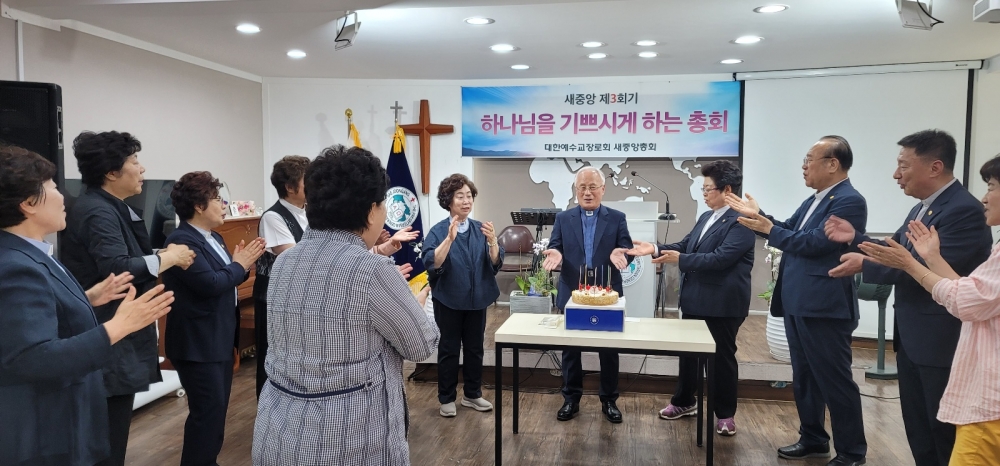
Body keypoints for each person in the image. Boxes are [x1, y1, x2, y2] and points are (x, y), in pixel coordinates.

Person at [252, 145, 439, 466]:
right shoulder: (372, 271)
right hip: (345, 440)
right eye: (383, 204)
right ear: (370, 211)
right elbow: (422, 346)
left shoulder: (285, 262)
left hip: (278, 432)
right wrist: (416, 304)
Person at [824, 130, 992, 466]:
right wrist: (856, 238)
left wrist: (865, 263)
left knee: (942, 431)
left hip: (942, 341)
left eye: (903, 165)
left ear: (935, 167)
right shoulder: (923, 207)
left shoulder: (964, 211)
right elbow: (898, 251)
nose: (895, 174)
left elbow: (927, 271)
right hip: (914, 339)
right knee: (918, 428)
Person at [0, 145, 174, 466]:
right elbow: (34, 358)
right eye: (53, 187)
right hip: (47, 429)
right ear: (28, 203)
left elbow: (42, 316)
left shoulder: (32, 252)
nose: (64, 196)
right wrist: (119, 326)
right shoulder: (16, 265)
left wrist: (88, 298)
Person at [726, 136, 868, 466]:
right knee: (805, 377)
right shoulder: (815, 199)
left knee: (834, 380)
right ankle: (814, 438)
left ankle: (851, 452)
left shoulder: (849, 200)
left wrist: (768, 228)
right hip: (799, 301)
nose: (803, 166)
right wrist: (758, 216)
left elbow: (816, 243)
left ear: (832, 164)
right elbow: (789, 229)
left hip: (824, 306)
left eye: (808, 160)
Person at [61, 131, 196, 466]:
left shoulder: (110, 206)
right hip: (109, 333)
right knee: (108, 440)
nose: (142, 168)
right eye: (134, 161)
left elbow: (126, 255)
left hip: (117, 333)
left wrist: (161, 255)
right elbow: (118, 267)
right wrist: (169, 258)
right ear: (111, 172)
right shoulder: (97, 210)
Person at [627, 160, 754, 436]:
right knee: (688, 356)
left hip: (722, 304)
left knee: (721, 359)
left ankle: (725, 414)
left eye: (708, 189)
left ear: (727, 189)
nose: (704, 193)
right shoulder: (707, 216)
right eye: (703, 188)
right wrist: (655, 248)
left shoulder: (742, 221)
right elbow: (687, 246)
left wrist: (681, 259)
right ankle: (684, 401)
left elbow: (720, 259)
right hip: (695, 298)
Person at [162, 171, 265, 466]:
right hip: (197, 343)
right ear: (198, 205)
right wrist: (239, 265)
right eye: (217, 199)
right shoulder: (182, 241)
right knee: (206, 414)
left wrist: (241, 267)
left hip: (217, 337)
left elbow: (227, 278)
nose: (223, 205)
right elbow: (210, 283)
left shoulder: (214, 237)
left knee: (216, 413)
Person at [541, 166, 633, 424]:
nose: (587, 192)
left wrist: (622, 253)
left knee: (609, 349)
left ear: (603, 189)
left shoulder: (617, 218)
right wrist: (556, 253)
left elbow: (626, 247)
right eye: (582, 187)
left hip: (607, 290)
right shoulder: (564, 218)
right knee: (570, 349)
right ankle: (571, 399)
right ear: (576, 190)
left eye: (593, 187)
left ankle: (609, 400)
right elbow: (555, 245)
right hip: (573, 288)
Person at [422, 173, 504, 418]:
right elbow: (432, 262)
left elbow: (495, 263)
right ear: (448, 200)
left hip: (477, 299)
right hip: (448, 299)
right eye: (460, 196)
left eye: (469, 196)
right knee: (448, 349)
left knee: (475, 349)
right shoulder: (438, 231)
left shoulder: (481, 228)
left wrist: (493, 242)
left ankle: (472, 394)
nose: (466, 201)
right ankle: (446, 398)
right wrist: (449, 239)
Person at [254, 155, 310, 398]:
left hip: (298, 297)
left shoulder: (308, 212)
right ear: (290, 187)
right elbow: (295, 256)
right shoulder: (273, 217)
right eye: (308, 181)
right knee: (272, 358)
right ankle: (267, 409)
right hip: (273, 299)